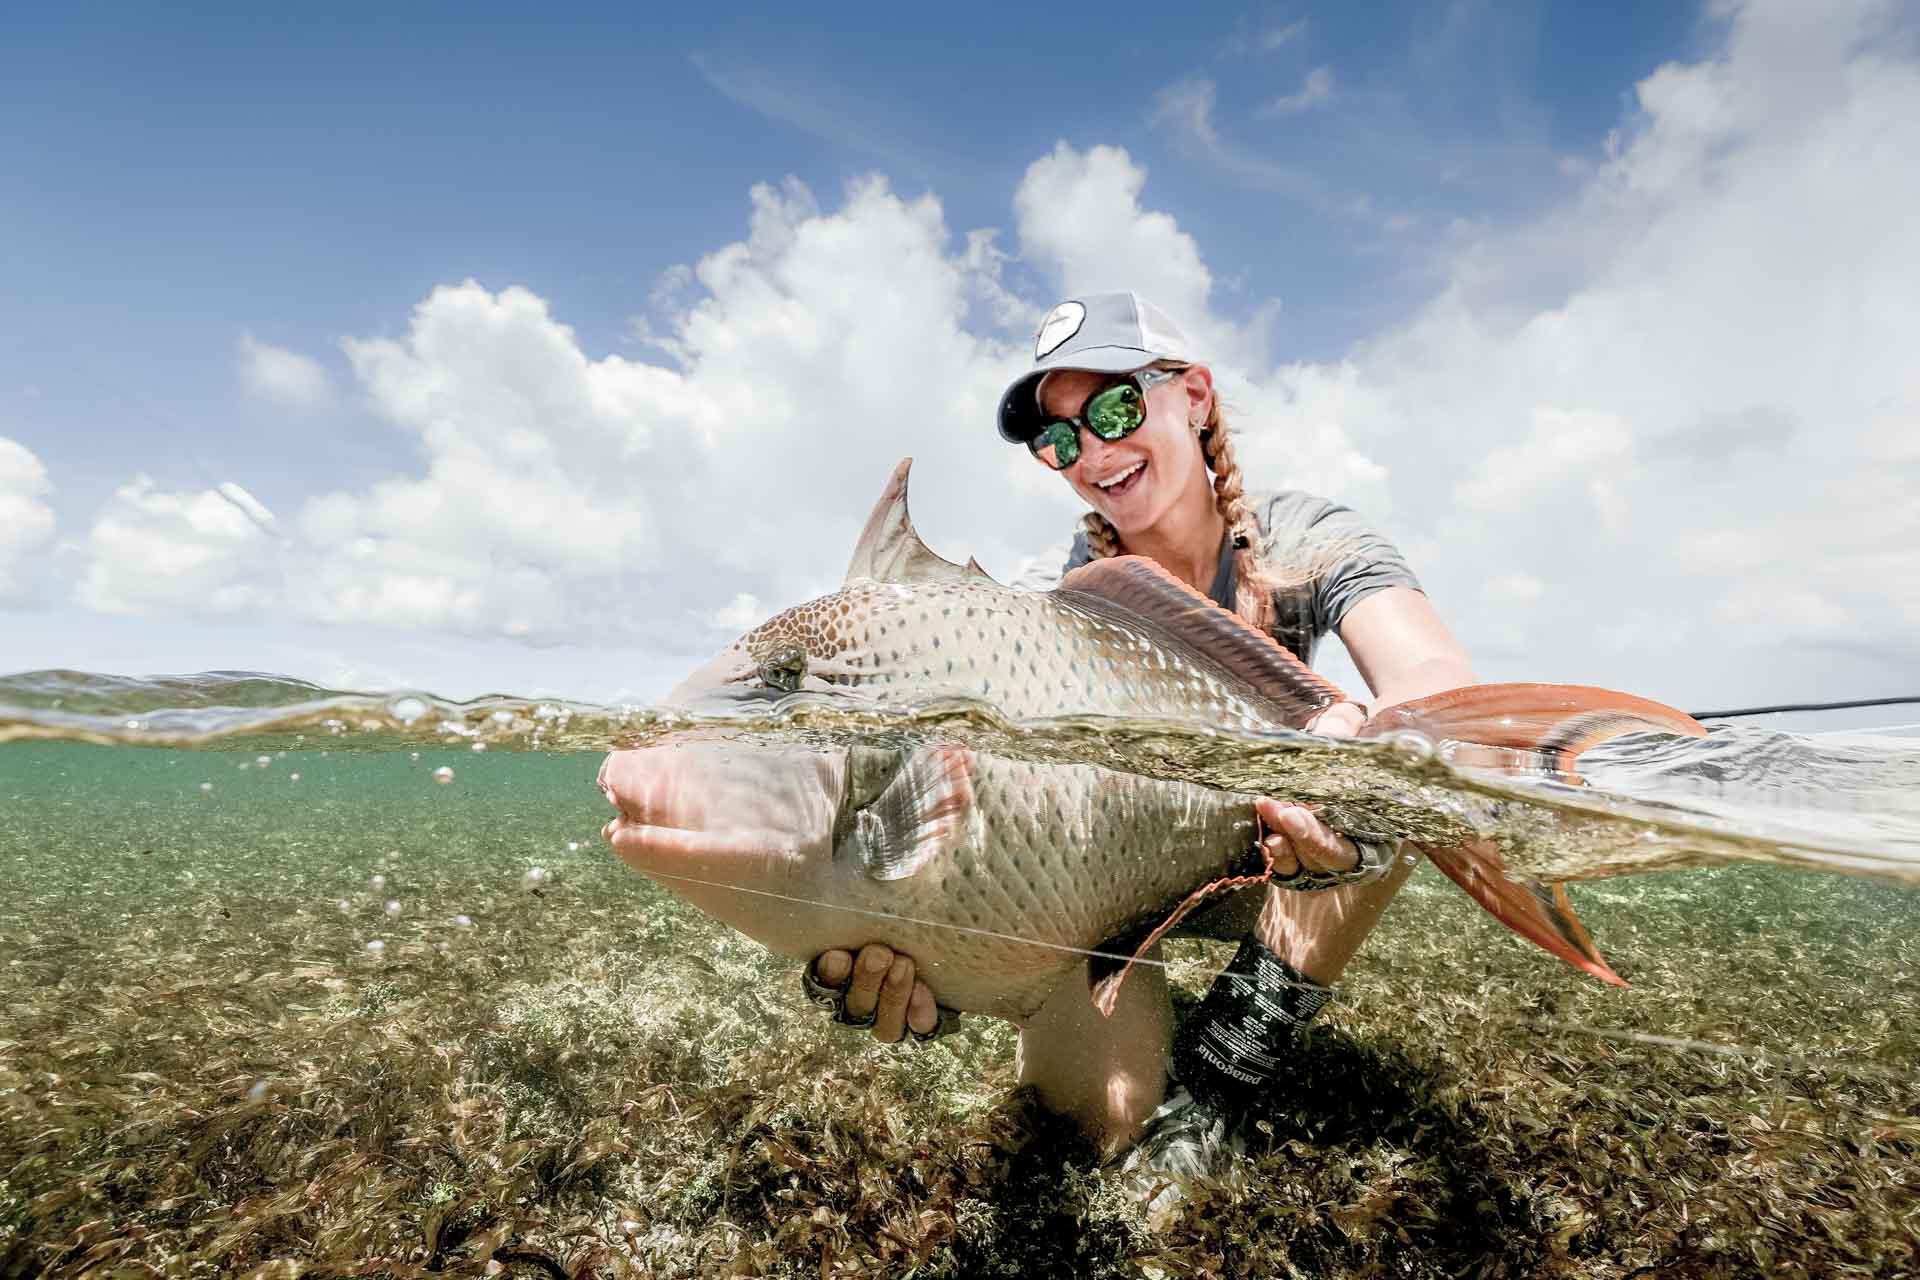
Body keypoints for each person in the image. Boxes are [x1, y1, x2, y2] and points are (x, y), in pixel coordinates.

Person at [801, 292, 1476, 1180]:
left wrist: (1360, 739)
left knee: (1388, 784)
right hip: (1109, 875)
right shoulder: (1054, 595)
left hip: (1285, 857)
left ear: (1193, 396)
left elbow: (1434, 681)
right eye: (1060, 441)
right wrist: (939, 957)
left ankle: (1238, 1052)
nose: (1094, 453)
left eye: (1115, 408)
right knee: (1090, 1131)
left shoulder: (1310, 537)